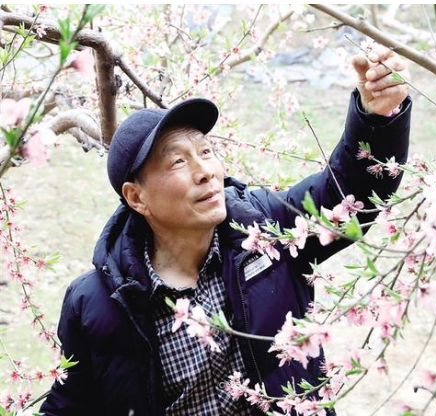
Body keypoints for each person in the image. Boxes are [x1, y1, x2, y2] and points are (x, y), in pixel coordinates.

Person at [40, 47, 411, 416]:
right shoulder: (98, 304)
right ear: (137, 197)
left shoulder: (266, 229)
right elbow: (70, 405)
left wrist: (376, 117)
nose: (206, 172)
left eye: (206, 152)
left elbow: (349, 194)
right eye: (178, 161)